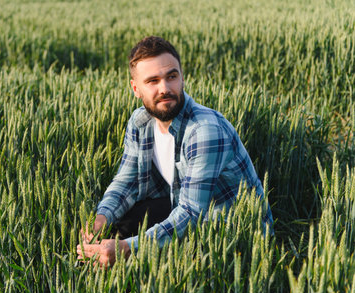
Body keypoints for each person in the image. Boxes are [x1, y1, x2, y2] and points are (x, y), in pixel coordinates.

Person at [76, 36, 273, 266]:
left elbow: (191, 215)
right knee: (115, 230)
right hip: (182, 206)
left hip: (233, 236)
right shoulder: (140, 123)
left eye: (172, 76)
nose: (165, 89)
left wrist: (128, 248)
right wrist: (100, 220)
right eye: (153, 81)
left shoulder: (204, 131)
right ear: (136, 88)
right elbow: (126, 181)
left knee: (132, 254)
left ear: (182, 77)